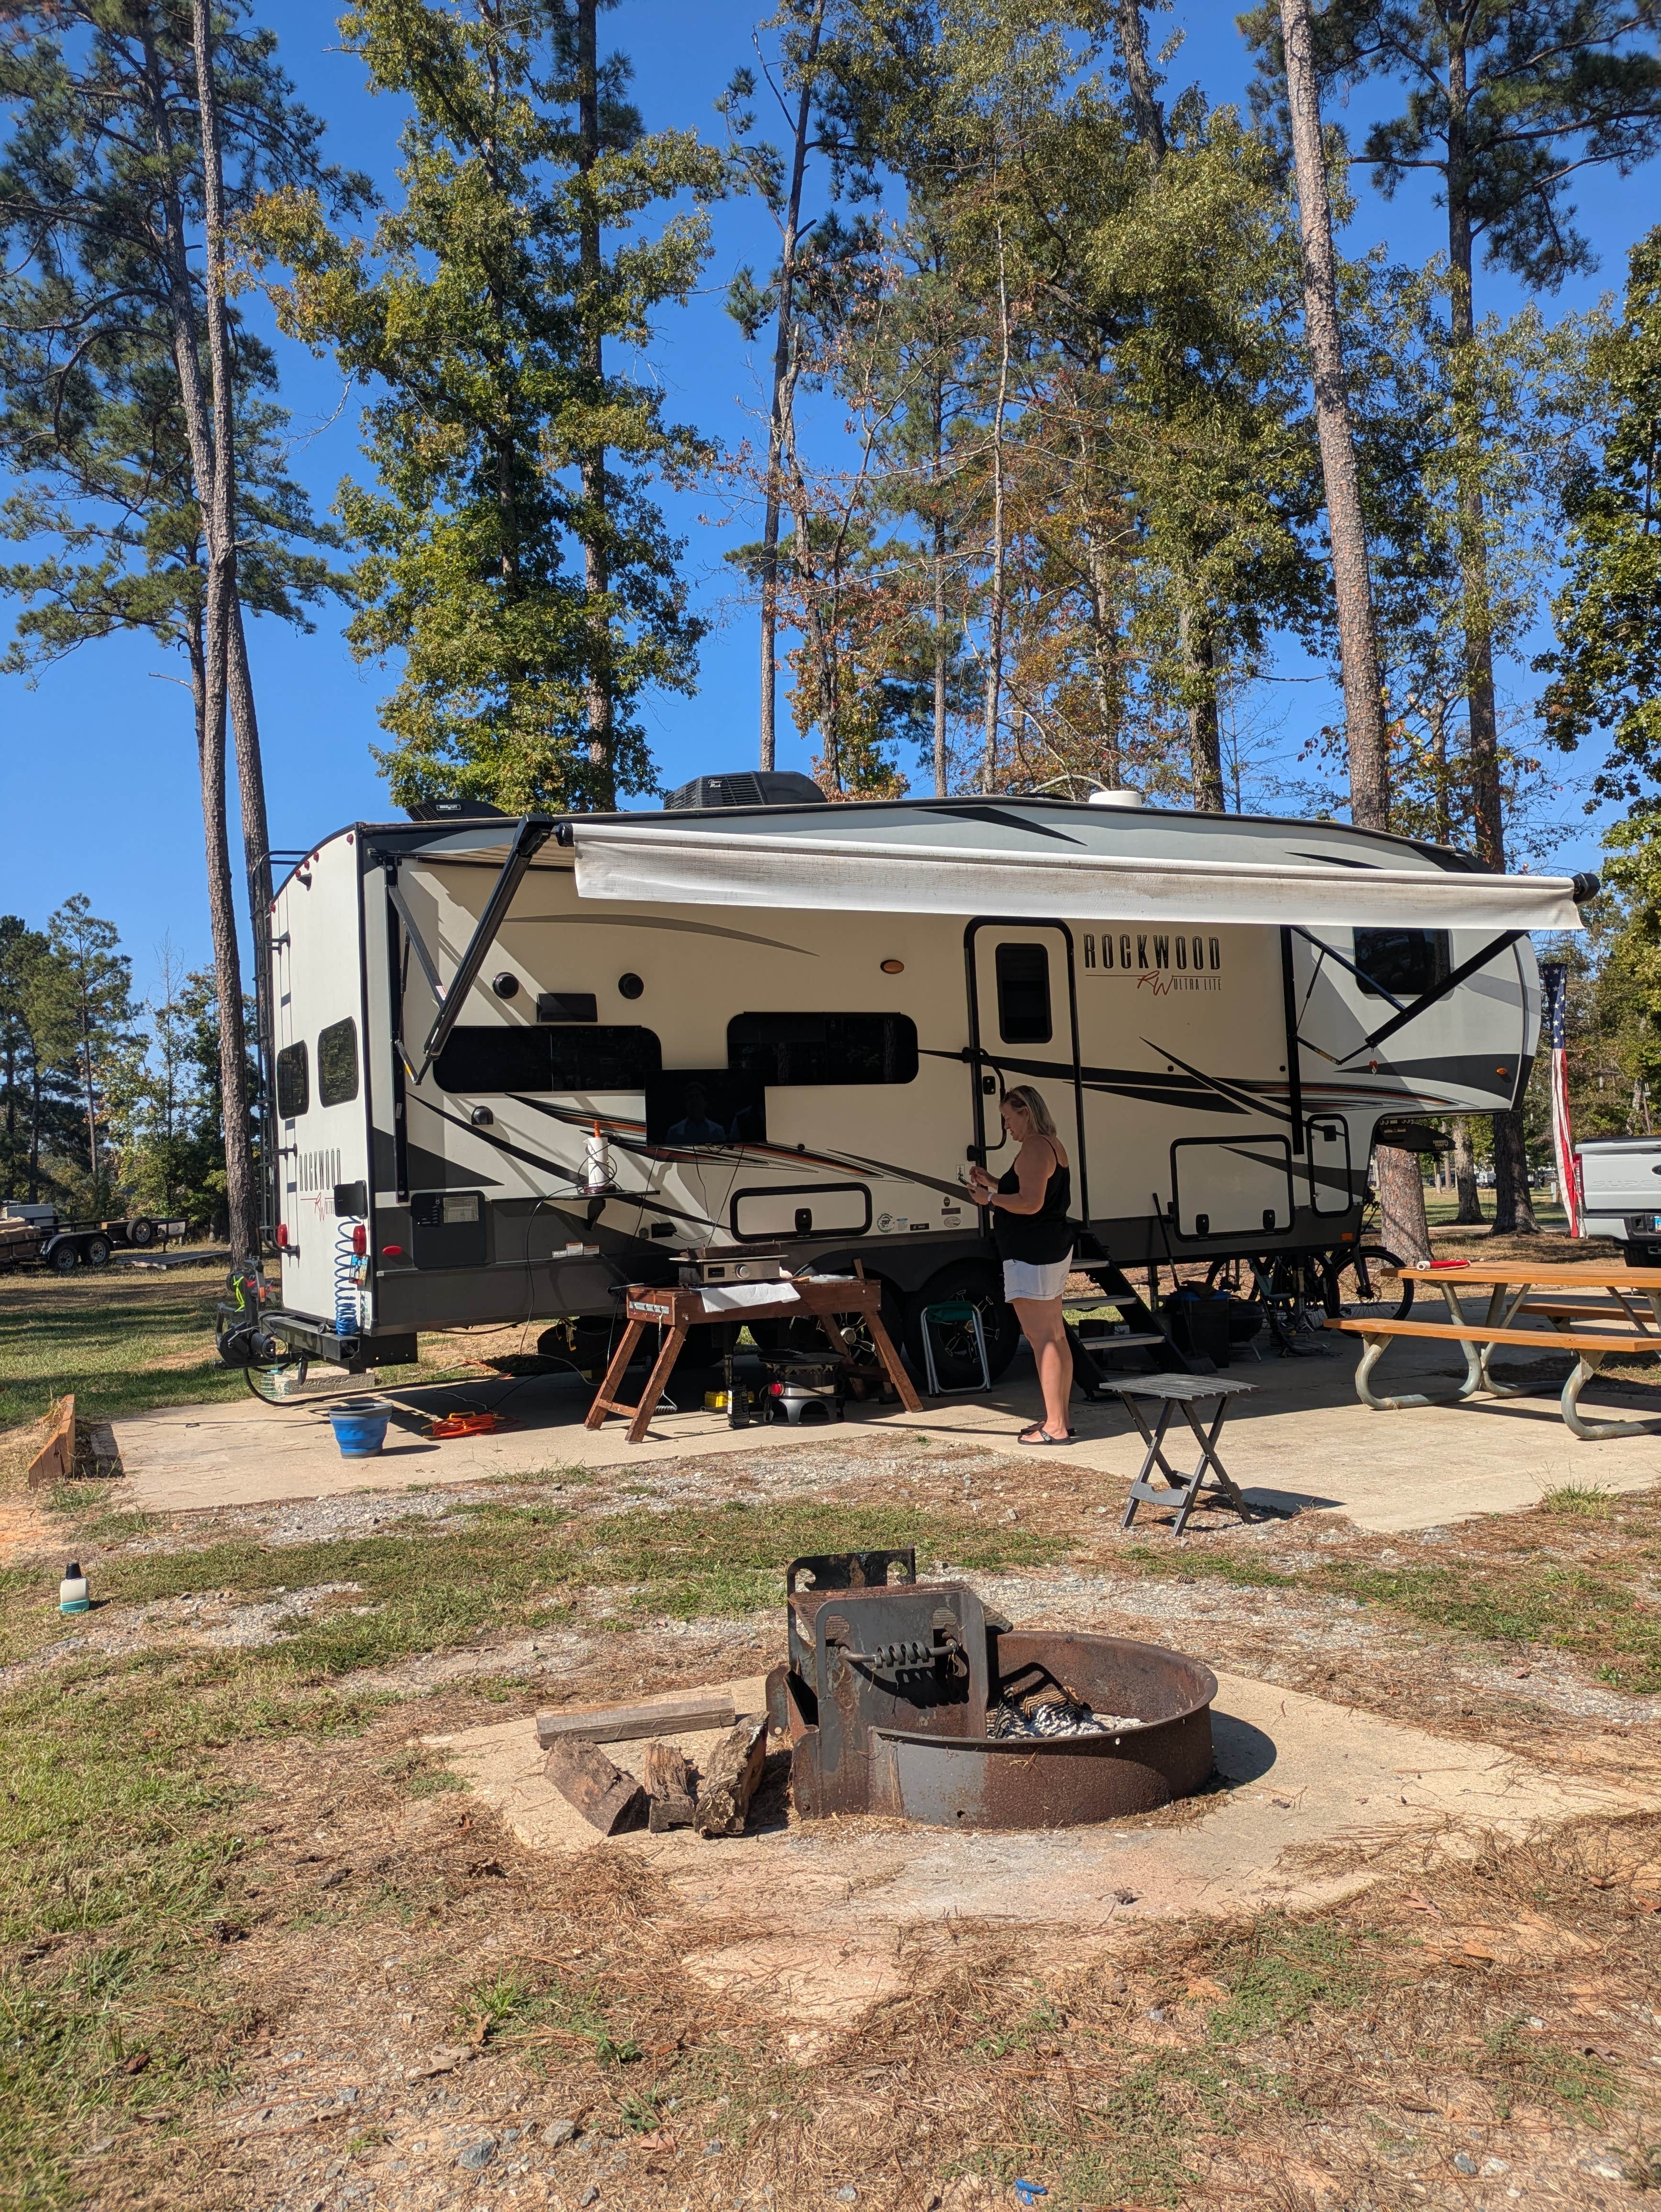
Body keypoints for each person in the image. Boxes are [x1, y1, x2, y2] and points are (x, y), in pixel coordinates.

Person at [967, 1084, 1074, 1445]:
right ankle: (1060, 1418)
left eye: (1008, 1118)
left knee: (1043, 1339)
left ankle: (1055, 1427)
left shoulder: (1034, 1148)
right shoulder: (1051, 1145)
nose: (1006, 1126)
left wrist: (990, 1199)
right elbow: (1030, 1189)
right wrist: (993, 1183)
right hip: (1050, 1248)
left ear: (1026, 1112)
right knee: (1055, 1335)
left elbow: (1030, 1203)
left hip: (1032, 1253)